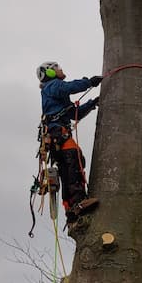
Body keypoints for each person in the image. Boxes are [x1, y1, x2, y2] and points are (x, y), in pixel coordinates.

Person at [37, 62, 102, 222]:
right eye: (58, 68)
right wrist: (89, 82)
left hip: (58, 133)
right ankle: (78, 202)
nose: (61, 70)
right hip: (58, 133)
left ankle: (71, 209)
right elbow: (68, 87)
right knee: (73, 161)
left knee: (69, 167)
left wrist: (92, 103)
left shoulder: (56, 93)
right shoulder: (52, 86)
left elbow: (74, 113)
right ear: (50, 72)